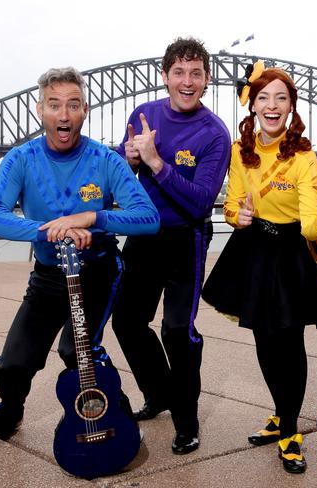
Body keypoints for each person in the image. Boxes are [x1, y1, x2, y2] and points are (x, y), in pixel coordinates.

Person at [0, 67, 160, 442]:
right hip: (49, 274)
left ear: (85, 110)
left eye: (72, 105)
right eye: (54, 105)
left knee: (77, 351)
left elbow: (148, 218)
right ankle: (8, 413)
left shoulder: (105, 160)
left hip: (98, 271)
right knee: (14, 363)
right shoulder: (22, 159)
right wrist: (50, 229)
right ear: (40, 110)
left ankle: (113, 410)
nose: (64, 115)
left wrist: (93, 218)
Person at [202, 63, 317, 474]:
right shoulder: (240, 150)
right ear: (252, 105)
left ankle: (289, 430)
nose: (272, 106)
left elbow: (308, 221)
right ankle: (280, 412)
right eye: (263, 97)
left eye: (280, 98)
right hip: (253, 249)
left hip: (294, 252)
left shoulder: (303, 155)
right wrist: (239, 216)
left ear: (290, 107)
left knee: (290, 342)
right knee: (265, 341)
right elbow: (231, 204)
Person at [111, 37, 231, 455]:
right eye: (178, 72)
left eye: (195, 73)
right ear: (165, 77)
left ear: (206, 79)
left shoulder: (215, 133)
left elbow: (200, 201)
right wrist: (127, 160)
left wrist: (157, 163)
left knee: (177, 332)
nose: (187, 80)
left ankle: (187, 421)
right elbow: (120, 177)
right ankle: (159, 392)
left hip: (188, 238)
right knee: (126, 321)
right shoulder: (143, 115)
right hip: (144, 235)